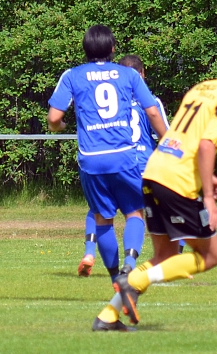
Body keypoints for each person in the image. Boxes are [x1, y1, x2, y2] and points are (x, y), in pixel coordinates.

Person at [92, 40, 217, 332]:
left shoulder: (200, 88)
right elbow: (207, 144)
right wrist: (208, 198)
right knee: (210, 256)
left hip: (155, 170)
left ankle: (108, 316)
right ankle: (133, 280)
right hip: (177, 181)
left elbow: (186, 137)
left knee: (165, 257)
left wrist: (205, 176)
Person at [48, 26, 168, 283]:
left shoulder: (72, 75)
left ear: (85, 49)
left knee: (102, 217)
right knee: (134, 213)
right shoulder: (128, 75)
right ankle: (129, 264)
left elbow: (54, 118)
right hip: (124, 156)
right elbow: (154, 113)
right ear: (113, 48)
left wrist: (60, 127)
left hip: (91, 159)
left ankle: (115, 278)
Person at [77, 54, 173, 276]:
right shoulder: (150, 101)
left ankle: (90, 252)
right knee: (143, 213)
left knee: (98, 210)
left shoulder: (112, 100)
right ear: (142, 74)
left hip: (113, 161)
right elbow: (165, 134)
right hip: (142, 166)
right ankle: (160, 259)